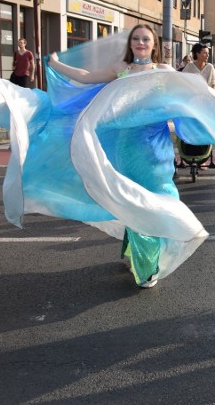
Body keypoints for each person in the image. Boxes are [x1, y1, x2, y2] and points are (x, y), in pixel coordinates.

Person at [48, 23, 176, 288]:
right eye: (137, 39)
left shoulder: (164, 71)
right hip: (129, 147)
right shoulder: (122, 69)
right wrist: (56, 64)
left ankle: (142, 252)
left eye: (146, 39)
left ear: (155, 45)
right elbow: (85, 76)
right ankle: (147, 265)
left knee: (161, 198)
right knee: (136, 200)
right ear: (130, 43)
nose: (141, 43)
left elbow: (192, 93)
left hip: (157, 146)